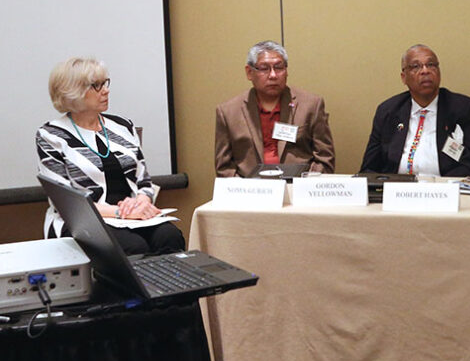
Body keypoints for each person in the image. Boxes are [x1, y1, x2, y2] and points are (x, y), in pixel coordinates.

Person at [36, 57, 185, 255]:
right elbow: (66, 202)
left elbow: (144, 182)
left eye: (105, 83)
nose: (105, 90)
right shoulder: (52, 135)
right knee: (133, 246)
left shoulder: (123, 126)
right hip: (83, 221)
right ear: (73, 91)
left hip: (131, 217)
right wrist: (120, 212)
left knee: (170, 236)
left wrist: (142, 202)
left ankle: (166, 278)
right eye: (96, 86)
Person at [360, 44, 470, 176]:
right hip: (397, 186)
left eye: (431, 65)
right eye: (416, 66)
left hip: (446, 186)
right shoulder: (388, 111)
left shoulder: (463, 108)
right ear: (404, 77)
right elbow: (369, 169)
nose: (425, 71)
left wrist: (440, 185)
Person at [215, 40, 336, 177]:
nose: (273, 75)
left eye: (279, 67)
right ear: (249, 72)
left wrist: (303, 185)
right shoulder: (228, 112)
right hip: (250, 188)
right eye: (264, 68)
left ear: (286, 71)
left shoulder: (311, 105)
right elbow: (224, 168)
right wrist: (245, 188)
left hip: (297, 186)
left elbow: (325, 159)